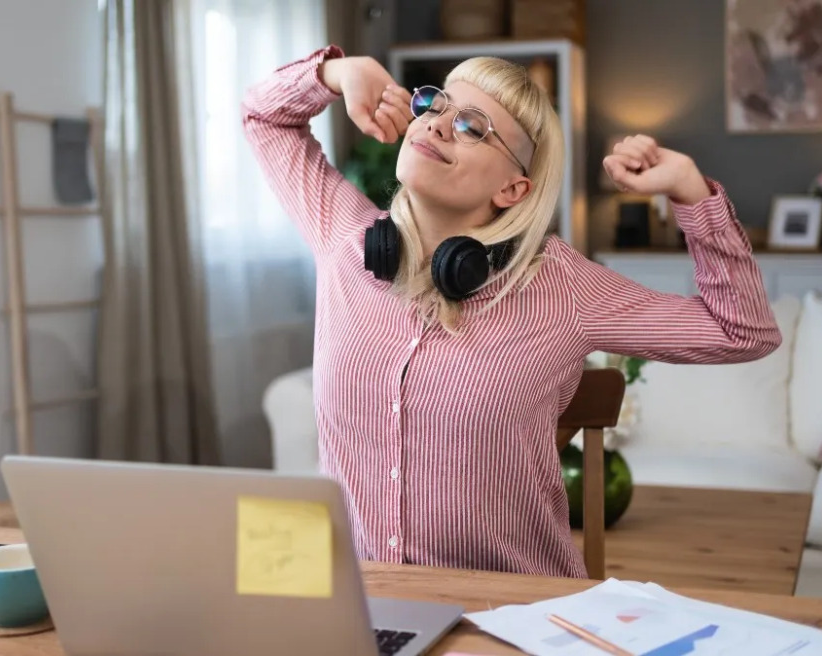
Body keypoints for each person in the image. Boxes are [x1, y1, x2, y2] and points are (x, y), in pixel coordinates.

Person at [241, 45, 781, 578]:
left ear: (513, 188)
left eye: (473, 126)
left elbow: (741, 330)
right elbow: (264, 116)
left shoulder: (560, 285)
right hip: (364, 607)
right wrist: (337, 72)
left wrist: (689, 191)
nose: (437, 124)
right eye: (436, 105)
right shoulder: (344, 239)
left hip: (512, 615)